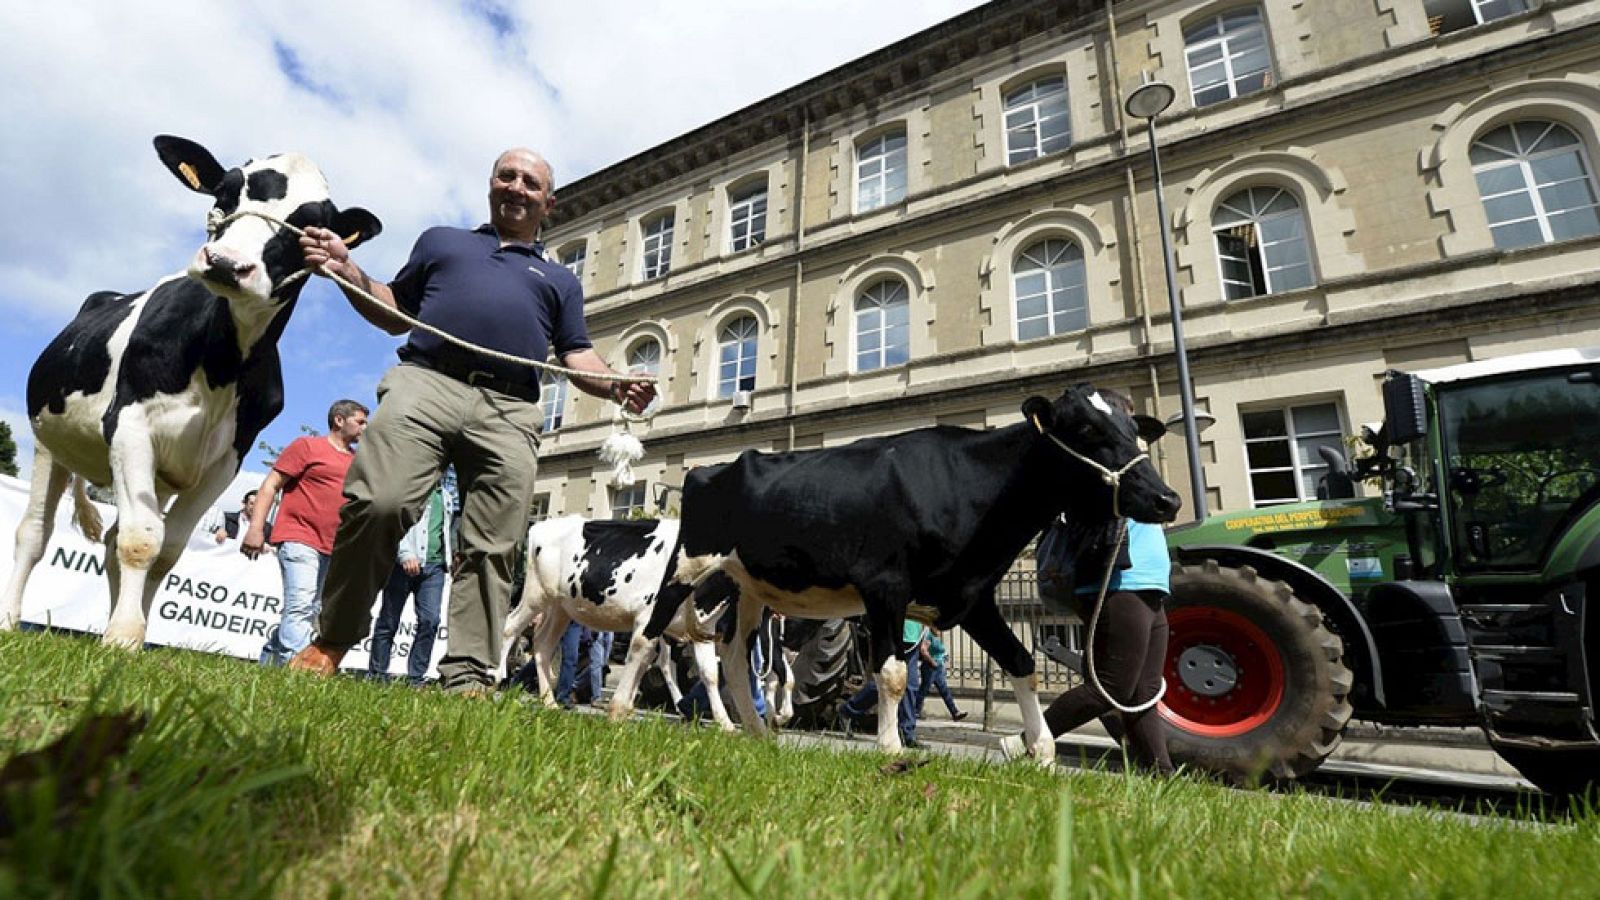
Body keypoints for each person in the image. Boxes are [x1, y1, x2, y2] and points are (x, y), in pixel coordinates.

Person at [286, 148, 656, 694]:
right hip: (426, 381)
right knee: (380, 501)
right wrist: (347, 269)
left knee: (495, 542)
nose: (516, 187)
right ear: (490, 185)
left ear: (547, 202)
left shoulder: (559, 280)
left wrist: (614, 384)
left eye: (530, 182)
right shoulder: (442, 242)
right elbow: (392, 307)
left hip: (509, 409)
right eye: (506, 176)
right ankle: (333, 638)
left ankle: (468, 671)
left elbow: (577, 355)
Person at [1004, 390, 1173, 775]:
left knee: (1143, 691)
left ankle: (1161, 773)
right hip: (1119, 581)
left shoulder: (1132, 455)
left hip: (1148, 582)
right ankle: (1026, 742)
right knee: (1111, 686)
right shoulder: (1102, 459)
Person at [244, 400, 369, 665]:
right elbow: (270, 485)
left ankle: (269, 659)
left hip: (334, 547)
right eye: (360, 421)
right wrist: (256, 529)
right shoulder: (307, 447)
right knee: (300, 606)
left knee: (311, 611)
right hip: (299, 537)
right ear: (339, 420)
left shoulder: (358, 461)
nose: (365, 428)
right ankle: (298, 670)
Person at [366, 478, 453, 684]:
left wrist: (449, 559)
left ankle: (416, 678)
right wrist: (404, 554)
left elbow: (445, 530)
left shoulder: (446, 496)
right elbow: (394, 524)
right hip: (402, 566)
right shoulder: (409, 489)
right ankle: (377, 675)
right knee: (389, 620)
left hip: (434, 568)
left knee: (430, 621)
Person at [837, 617, 928, 747]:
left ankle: (907, 733)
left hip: (914, 639)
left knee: (911, 685)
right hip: (893, 636)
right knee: (884, 684)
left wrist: (925, 635)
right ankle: (847, 710)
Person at [914, 627, 968, 721]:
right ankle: (915, 711)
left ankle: (955, 712)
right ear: (932, 627)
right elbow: (923, 650)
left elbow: (939, 651)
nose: (940, 630)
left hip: (938, 669)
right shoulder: (929, 636)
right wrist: (932, 661)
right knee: (924, 690)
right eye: (938, 628)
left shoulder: (936, 638)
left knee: (944, 691)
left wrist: (944, 656)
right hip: (930, 668)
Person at [200, 489, 266, 544]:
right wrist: (218, 532)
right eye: (252, 504)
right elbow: (209, 533)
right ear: (243, 503)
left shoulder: (267, 528)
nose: (255, 507)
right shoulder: (226, 518)